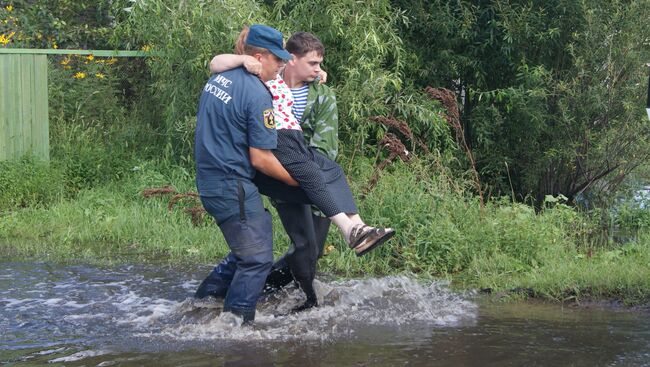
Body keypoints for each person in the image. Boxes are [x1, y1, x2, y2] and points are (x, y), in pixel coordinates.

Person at [208, 30, 395, 310]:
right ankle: (311, 284)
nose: (317, 69)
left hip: (294, 140)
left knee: (330, 170)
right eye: (311, 63)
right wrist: (244, 61)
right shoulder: (253, 74)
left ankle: (357, 228)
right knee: (297, 244)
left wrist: (314, 70)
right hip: (280, 139)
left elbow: (299, 67)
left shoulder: (292, 77)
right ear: (258, 55)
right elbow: (215, 63)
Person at [193, 24, 295, 323]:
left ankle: (203, 305)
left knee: (245, 251)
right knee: (256, 259)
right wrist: (297, 180)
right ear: (260, 57)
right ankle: (235, 328)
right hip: (232, 185)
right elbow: (261, 159)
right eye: (278, 59)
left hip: (212, 180)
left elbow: (216, 61)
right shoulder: (257, 94)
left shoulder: (220, 79)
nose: (282, 65)